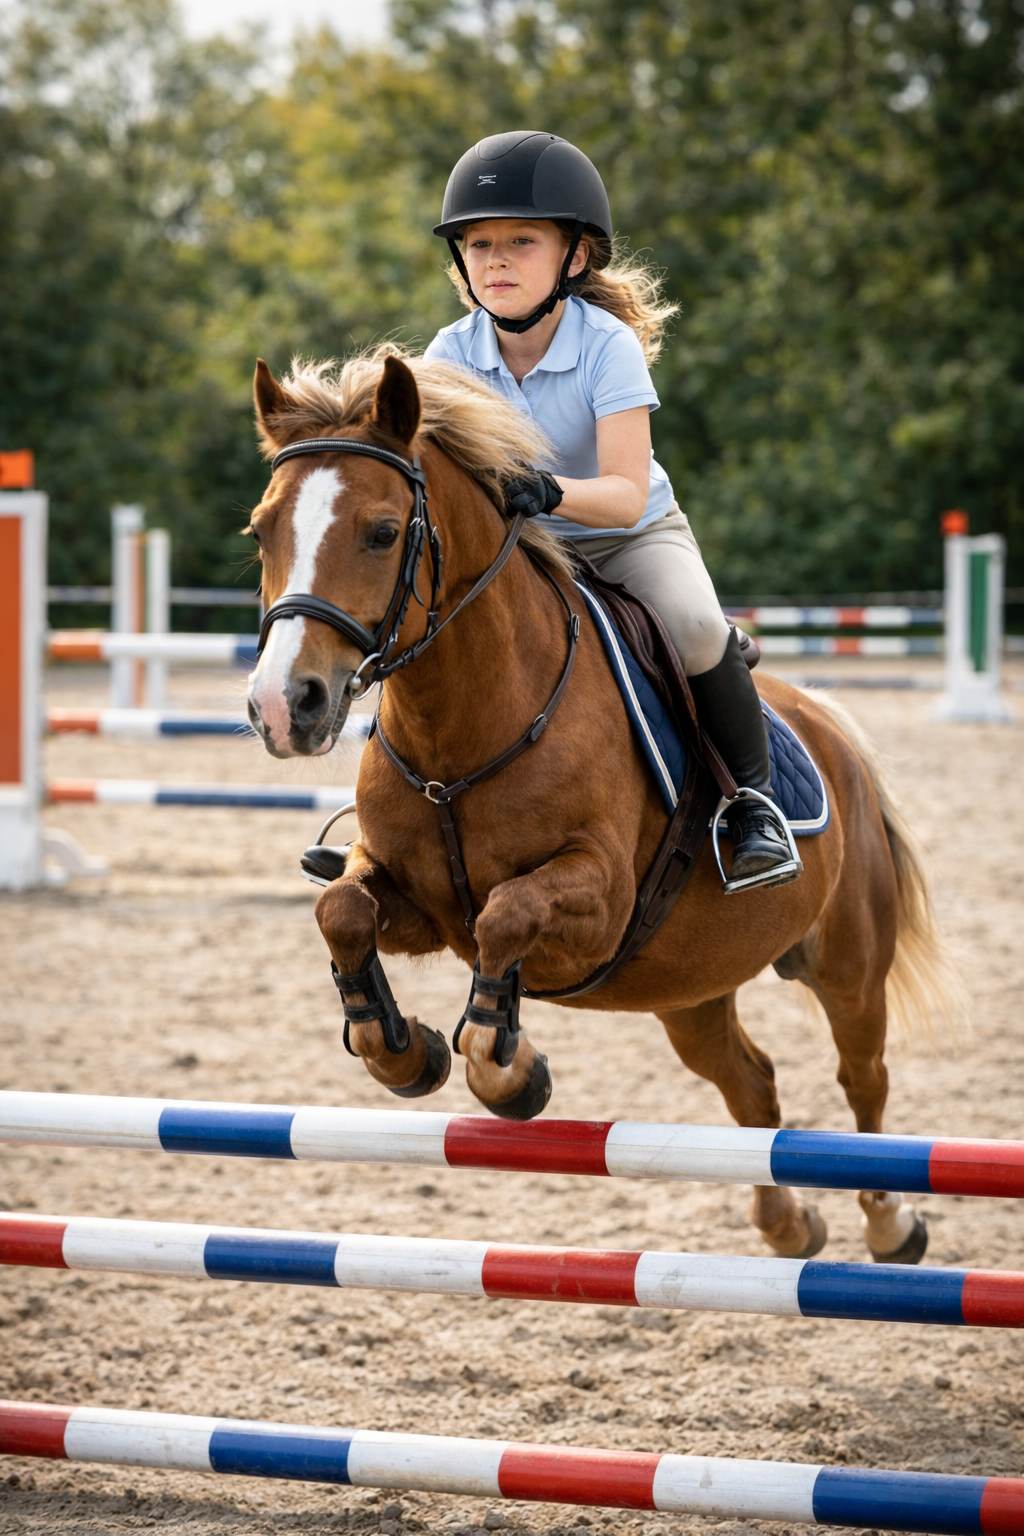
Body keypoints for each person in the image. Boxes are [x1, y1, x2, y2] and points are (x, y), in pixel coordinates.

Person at [424, 130, 798, 892]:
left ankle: (755, 806)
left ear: (576, 256)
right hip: (521, 547)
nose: (495, 260)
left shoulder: (608, 346)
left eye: (521, 241)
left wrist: (549, 493)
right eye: (479, 243)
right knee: (424, 627)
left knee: (694, 625)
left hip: (627, 533)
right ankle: (391, 816)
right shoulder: (447, 355)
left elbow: (626, 494)